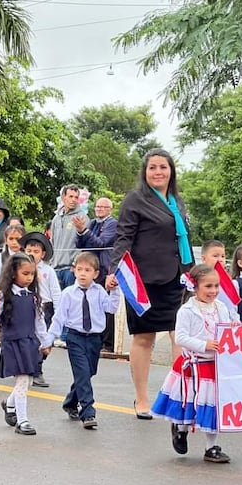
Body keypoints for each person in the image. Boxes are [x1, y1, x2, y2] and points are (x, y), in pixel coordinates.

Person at [106, 149, 194, 419]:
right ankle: (142, 399)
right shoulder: (135, 199)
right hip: (143, 280)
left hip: (176, 277)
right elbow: (124, 237)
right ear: (145, 172)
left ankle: (180, 395)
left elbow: (184, 238)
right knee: (144, 338)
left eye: (163, 167)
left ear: (171, 171)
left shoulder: (176, 201)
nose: (158, 172)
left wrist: (193, 275)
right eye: (152, 167)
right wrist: (114, 269)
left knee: (180, 335)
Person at [152, 264, 239, 462]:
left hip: (214, 365)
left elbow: (228, 326)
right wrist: (203, 344)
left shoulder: (221, 307)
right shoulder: (187, 310)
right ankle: (180, 429)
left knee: (212, 406)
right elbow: (181, 338)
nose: (214, 291)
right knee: (189, 403)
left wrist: (233, 327)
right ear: (195, 287)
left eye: (216, 286)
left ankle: (211, 446)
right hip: (193, 365)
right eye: (208, 286)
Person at [0, 252, 53, 436]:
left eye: (32, 274)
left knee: (28, 380)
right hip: (13, 343)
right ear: (13, 273)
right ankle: (23, 421)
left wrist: (46, 342)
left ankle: (9, 403)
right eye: (25, 273)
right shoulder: (2, 295)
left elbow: (39, 323)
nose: (29, 278)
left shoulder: (34, 297)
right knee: (22, 380)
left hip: (29, 342)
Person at [48, 251, 119, 429]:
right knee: (82, 374)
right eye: (79, 269)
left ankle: (70, 402)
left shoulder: (100, 291)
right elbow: (59, 318)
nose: (82, 273)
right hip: (75, 337)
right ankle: (87, 412)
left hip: (95, 338)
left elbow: (111, 308)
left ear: (95, 274)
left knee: (89, 373)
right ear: (73, 271)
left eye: (87, 270)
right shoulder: (68, 294)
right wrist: (50, 338)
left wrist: (115, 290)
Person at [75, 197, 117, 353]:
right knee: (91, 304)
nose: (99, 209)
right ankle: (94, 339)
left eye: (103, 207)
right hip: (89, 268)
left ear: (110, 209)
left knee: (105, 306)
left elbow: (101, 243)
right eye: (97, 206)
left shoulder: (112, 223)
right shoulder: (92, 223)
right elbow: (79, 244)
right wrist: (80, 232)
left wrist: (84, 231)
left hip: (104, 270)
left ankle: (108, 343)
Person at [21, 231, 61, 388]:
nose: (32, 254)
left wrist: (59, 312)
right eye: (29, 251)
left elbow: (56, 292)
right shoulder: (19, 268)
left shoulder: (48, 271)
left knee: (43, 340)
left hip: (45, 307)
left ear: (43, 254)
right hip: (26, 306)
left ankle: (37, 369)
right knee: (28, 339)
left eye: (36, 252)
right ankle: (31, 368)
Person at [0, 224, 26, 372]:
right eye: (11, 239)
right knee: (6, 329)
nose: (15, 242)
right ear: (6, 240)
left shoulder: (26, 256)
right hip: (4, 296)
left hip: (22, 297)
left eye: (18, 239)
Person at [50, 184, 82, 290]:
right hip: (55, 268)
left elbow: (84, 244)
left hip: (70, 268)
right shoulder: (56, 218)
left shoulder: (82, 217)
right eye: (70, 196)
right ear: (63, 197)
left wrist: (75, 264)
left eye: (76, 197)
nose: (73, 200)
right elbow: (52, 242)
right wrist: (51, 263)